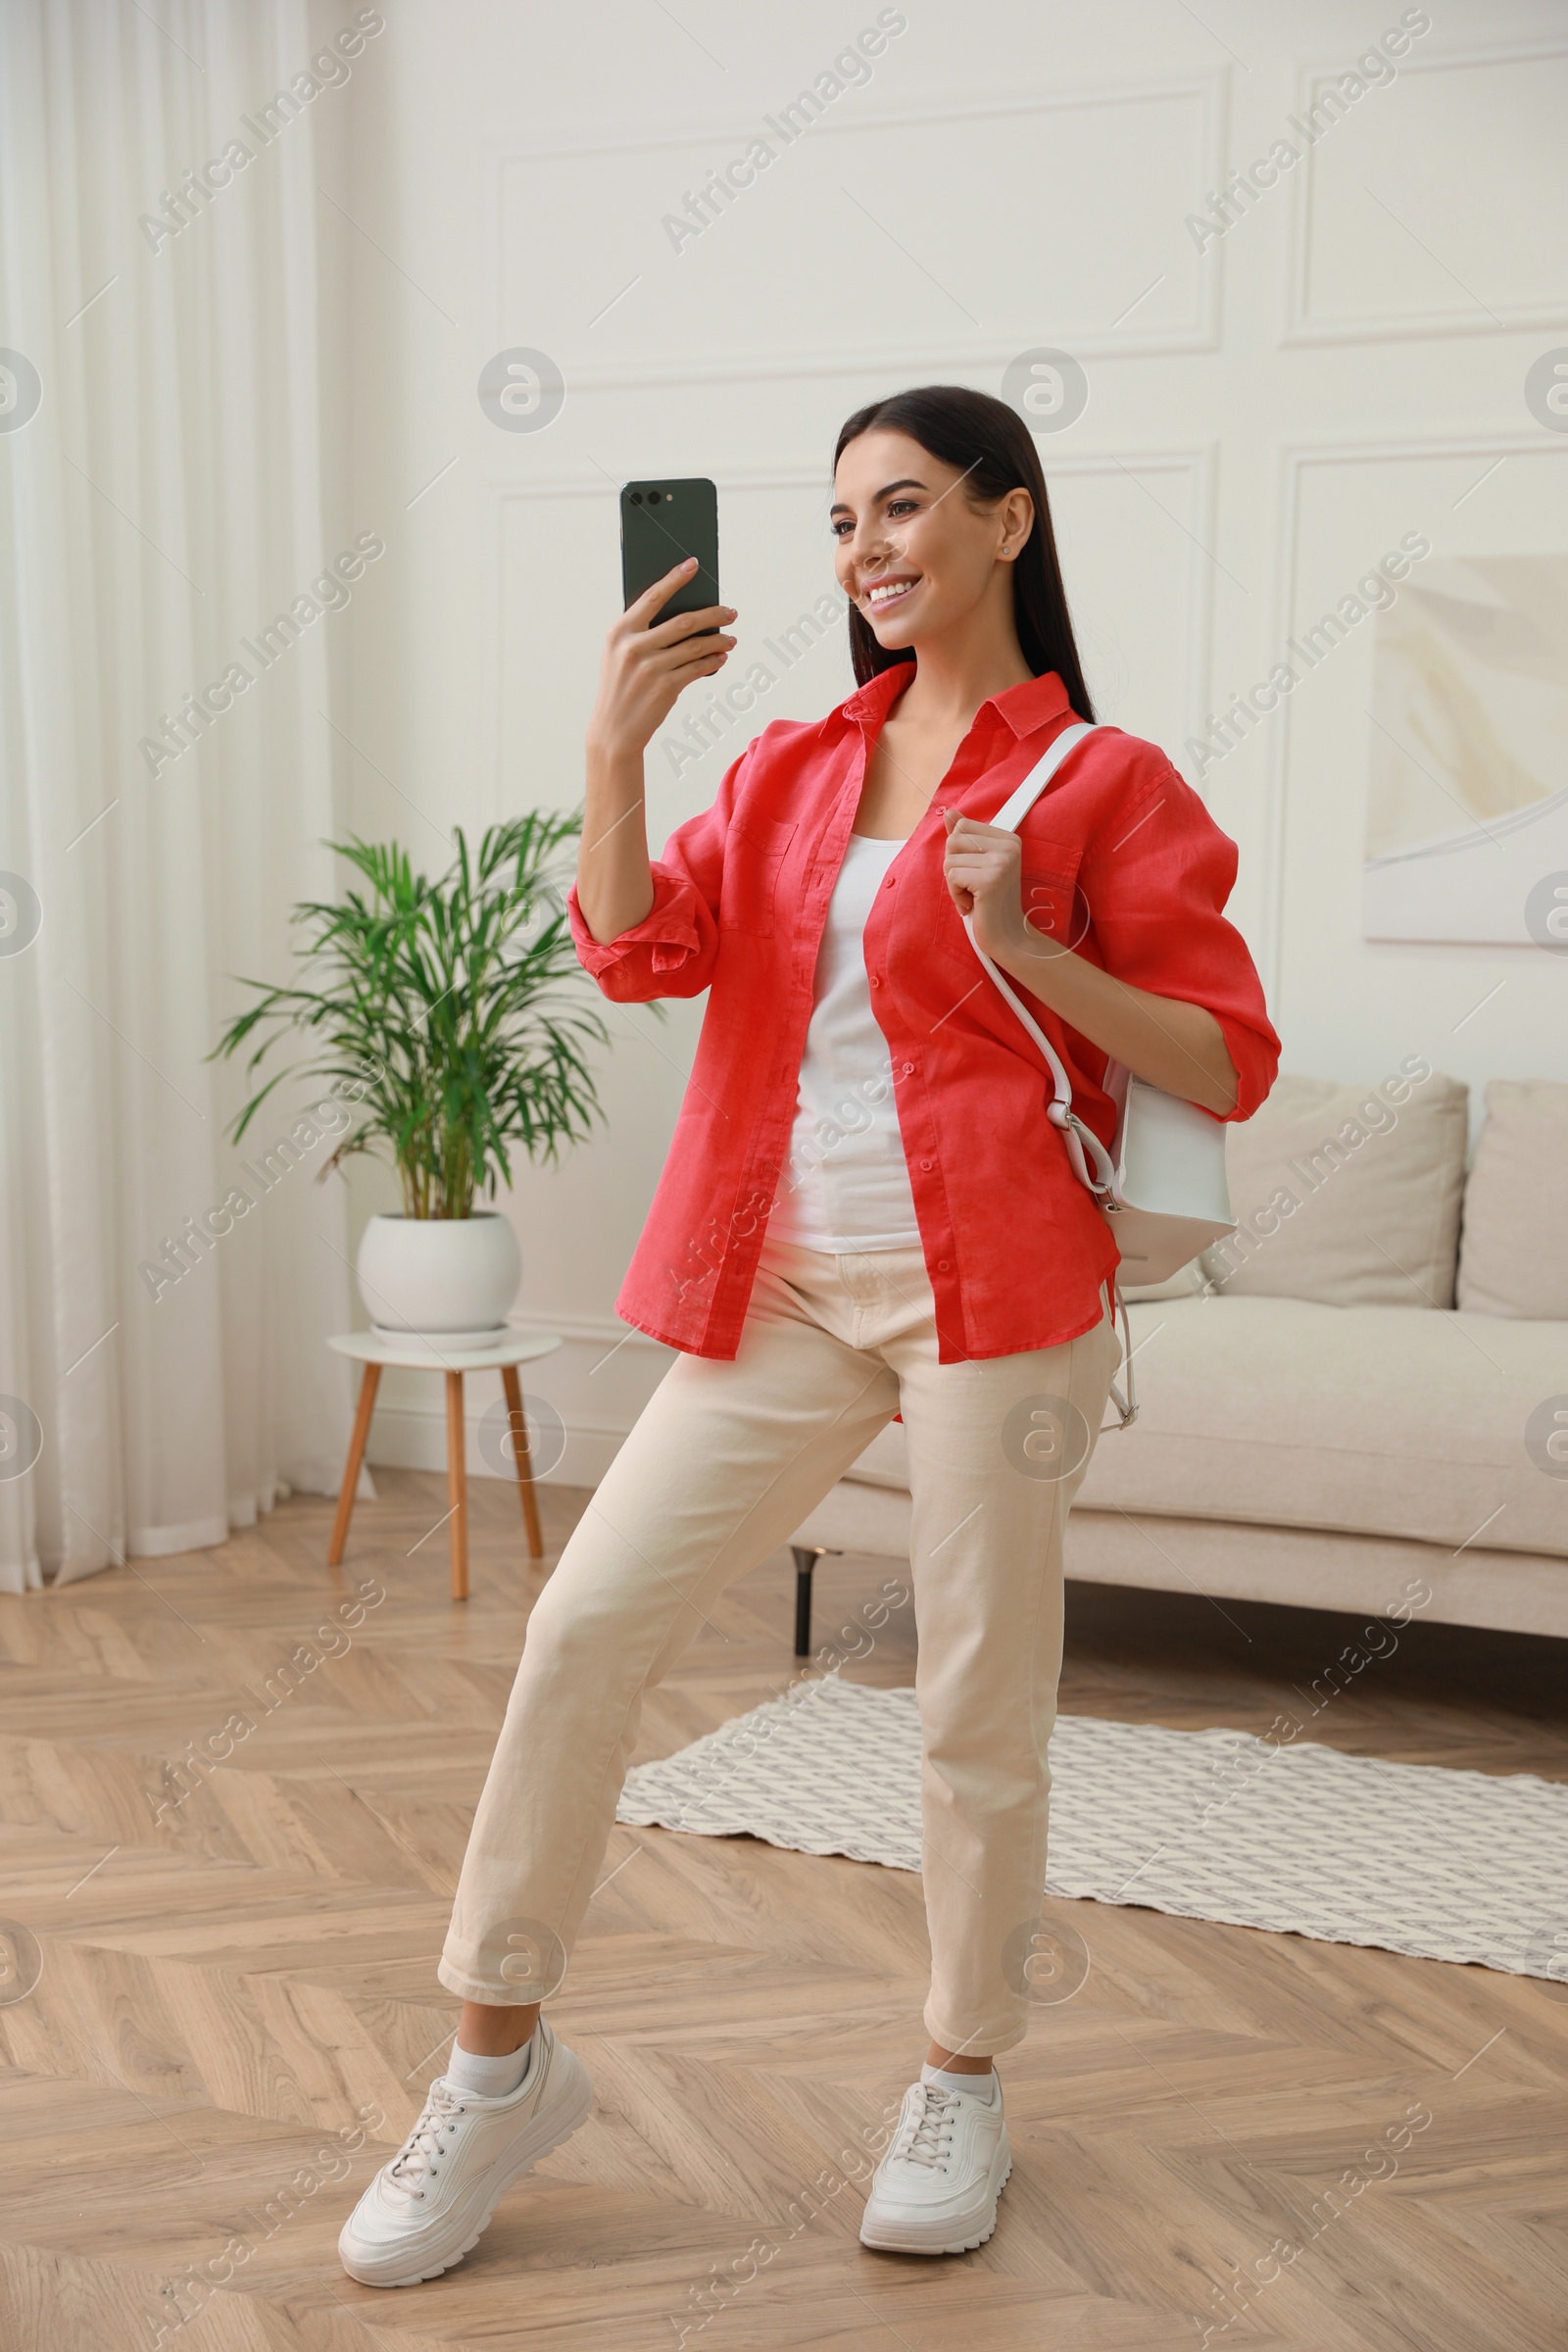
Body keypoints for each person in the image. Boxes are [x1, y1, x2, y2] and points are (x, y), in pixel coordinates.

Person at [338, 384, 1280, 2285]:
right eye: (840, 521)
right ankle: (497, 2066)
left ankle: (959, 2073)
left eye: (904, 506)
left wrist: (1029, 945)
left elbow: (1222, 1061)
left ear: (1009, 521)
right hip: (775, 1286)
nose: (864, 551)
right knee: (584, 1631)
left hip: (994, 1301)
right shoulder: (780, 765)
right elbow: (631, 952)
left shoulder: (1102, 785)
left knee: (969, 1701)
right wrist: (615, 746)